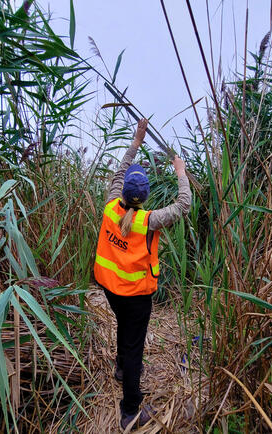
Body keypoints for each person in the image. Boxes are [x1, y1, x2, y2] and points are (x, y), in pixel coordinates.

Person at [93, 118, 192, 430]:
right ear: (145, 196)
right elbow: (184, 205)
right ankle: (130, 411)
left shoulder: (110, 205)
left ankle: (121, 368)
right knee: (135, 346)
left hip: (110, 289)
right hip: (136, 295)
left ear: (122, 191)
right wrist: (180, 172)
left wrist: (136, 140)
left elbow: (121, 168)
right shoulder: (150, 220)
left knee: (124, 328)